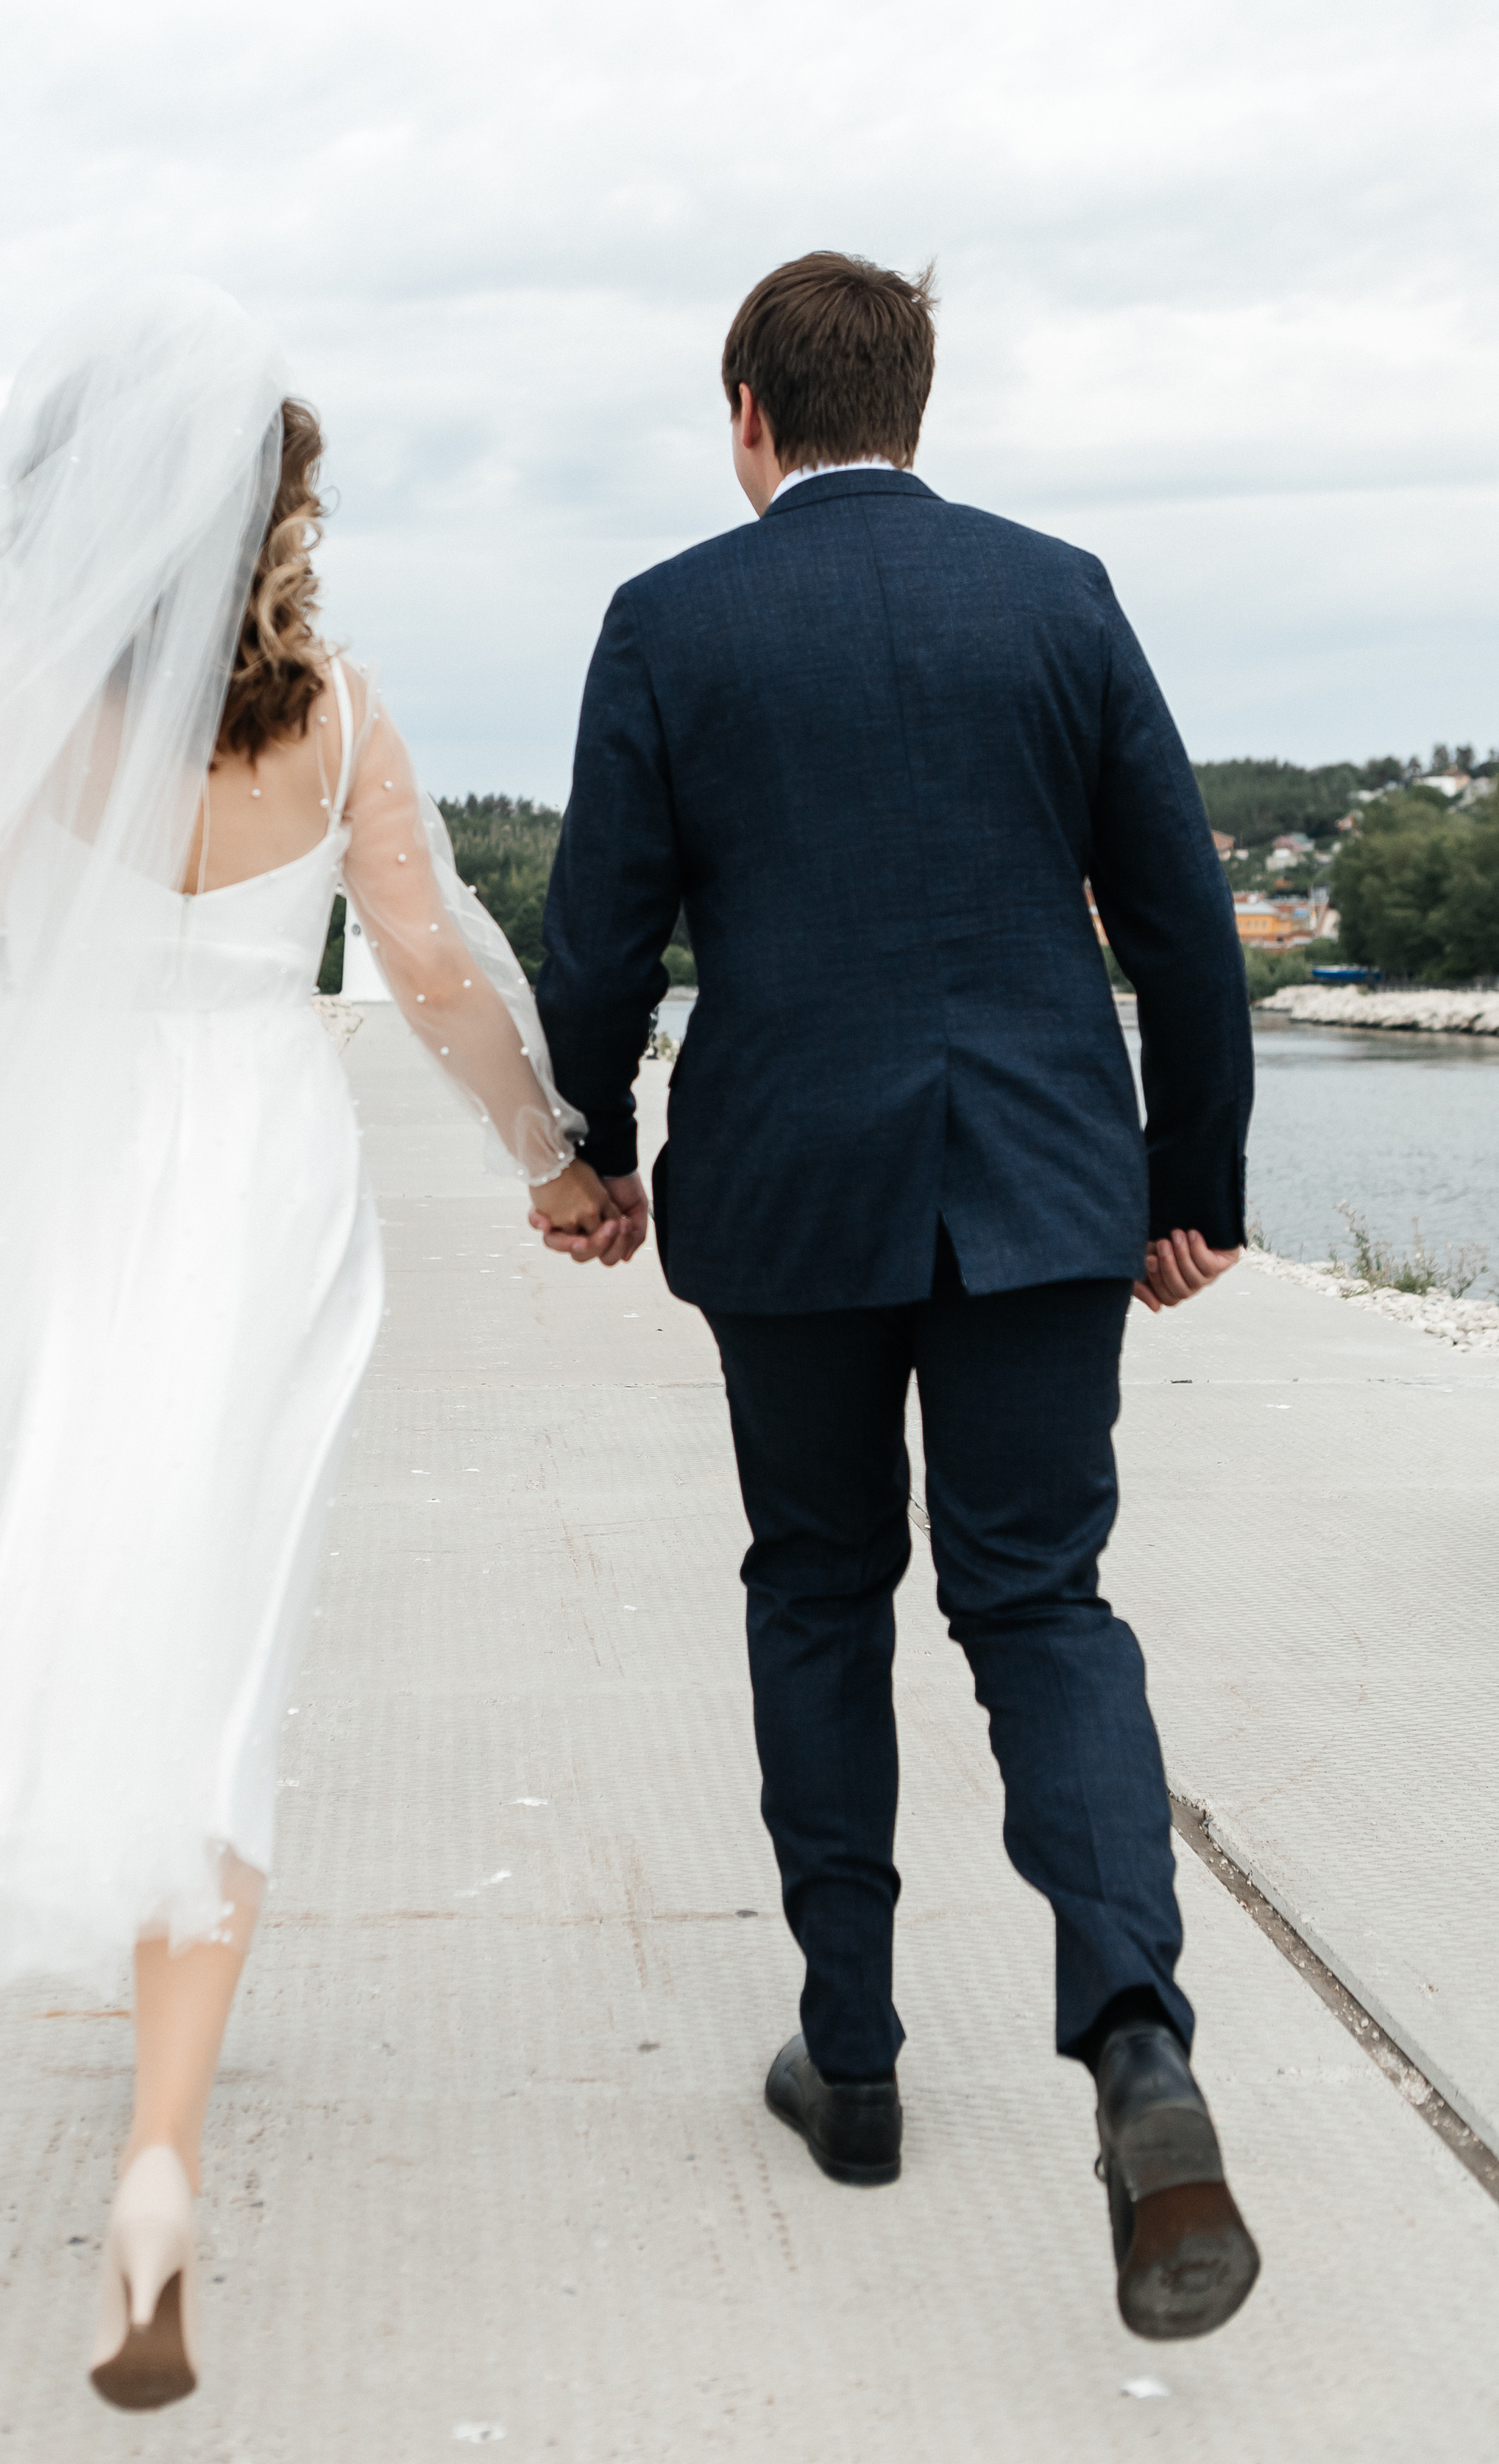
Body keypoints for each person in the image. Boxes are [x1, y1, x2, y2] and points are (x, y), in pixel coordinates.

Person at [0, 281, 631, 2410]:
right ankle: (157, 2165)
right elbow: (437, 973)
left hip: (71, 1182)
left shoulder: (20, 713)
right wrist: (552, 1159)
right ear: (272, 511)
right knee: (225, 1623)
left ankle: (101, 1973)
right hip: (263, 1182)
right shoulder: (340, 716)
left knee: (81, 1564)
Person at [534, 252, 1261, 2343]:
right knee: (1040, 1601)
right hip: (1042, 1190)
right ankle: (1134, 2035)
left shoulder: (671, 620)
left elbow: (598, 940)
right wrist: (1190, 1184)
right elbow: (1185, 924)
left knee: (820, 1585)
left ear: (749, 414)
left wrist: (586, 1144)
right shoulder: (1059, 594)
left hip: (792, 1204)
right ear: (913, 412)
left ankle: (849, 2057)